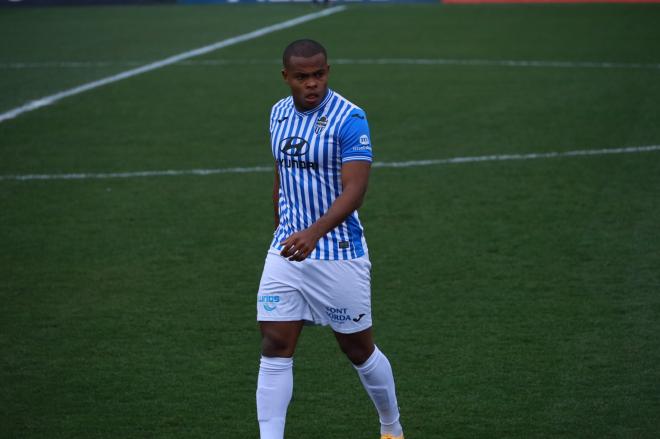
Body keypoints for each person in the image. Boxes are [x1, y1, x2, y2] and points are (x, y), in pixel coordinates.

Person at [255, 39, 404, 439]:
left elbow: (354, 190)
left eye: (319, 74)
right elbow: (281, 178)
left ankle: (391, 427)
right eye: (302, 77)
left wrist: (313, 233)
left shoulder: (350, 118)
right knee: (274, 343)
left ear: (328, 71)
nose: (312, 83)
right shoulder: (277, 114)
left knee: (358, 349)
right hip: (287, 249)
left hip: (337, 252)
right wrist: (281, 233)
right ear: (286, 77)